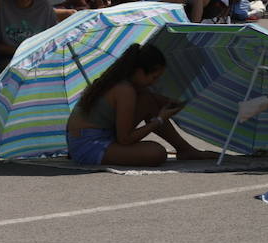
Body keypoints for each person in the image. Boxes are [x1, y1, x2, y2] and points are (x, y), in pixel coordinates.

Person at [65, 44, 210, 166]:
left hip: (96, 136)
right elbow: (125, 139)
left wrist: (167, 103)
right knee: (157, 152)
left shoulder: (122, 83)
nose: (155, 82)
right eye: (154, 77)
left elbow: (150, 101)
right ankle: (184, 149)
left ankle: (185, 149)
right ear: (140, 71)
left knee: (148, 100)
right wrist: (159, 120)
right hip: (89, 145)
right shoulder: (125, 90)